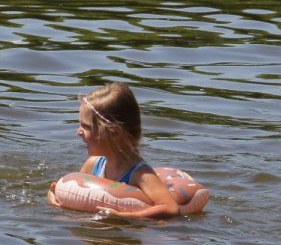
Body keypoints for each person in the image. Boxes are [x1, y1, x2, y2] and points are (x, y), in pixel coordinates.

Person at [47, 82, 182, 218]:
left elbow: (170, 208)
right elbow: (77, 191)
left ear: (113, 133)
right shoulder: (93, 164)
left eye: (86, 126)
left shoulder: (140, 174)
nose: (78, 132)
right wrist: (54, 195)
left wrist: (125, 216)